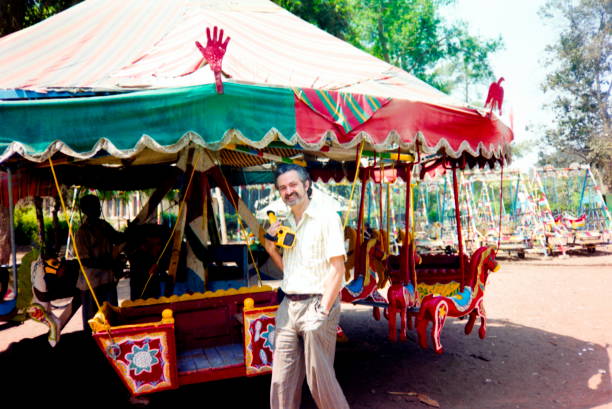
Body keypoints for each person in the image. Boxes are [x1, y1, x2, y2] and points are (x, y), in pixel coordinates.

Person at [263, 164, 350, 409]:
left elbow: (337, 268)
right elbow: (291, 268)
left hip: (317, 303)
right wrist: (271, 248)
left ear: (306, 185)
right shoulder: (286, 222)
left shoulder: (326, 217)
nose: (288, 191)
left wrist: (323, 311)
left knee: (320, 381)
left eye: (293, 185)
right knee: (282, 382)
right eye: (282, 188)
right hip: (289, 306)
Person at [75, 195, 123, 334]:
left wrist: (132, 232)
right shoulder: (82, 233)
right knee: (94, 322)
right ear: (85, 210)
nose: (98, 208)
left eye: (98, 205)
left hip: (107, 280)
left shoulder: (103, 225)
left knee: (111, 317)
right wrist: (110, 263)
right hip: (92, 284)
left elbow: (117, 237)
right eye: (94, 206)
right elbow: (85, 260)